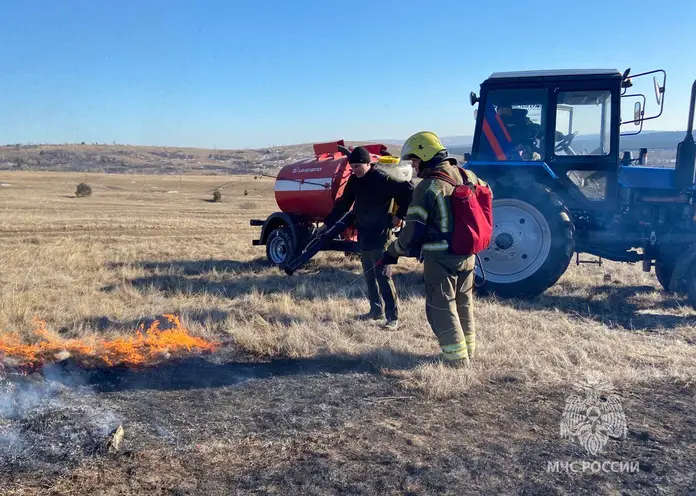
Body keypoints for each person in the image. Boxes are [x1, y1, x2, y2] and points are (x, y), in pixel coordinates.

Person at [380, 131, 490, 368]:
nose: (415, 166)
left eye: (416, 160)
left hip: (441, 258)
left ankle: (455, 359)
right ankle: (468, 351)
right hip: (468, 254)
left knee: (442, 306)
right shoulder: (468, 175)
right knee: (464, 303)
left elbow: (411, 231)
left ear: (426, 155)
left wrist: (393, 251)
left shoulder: (428, 187)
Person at [323, 146, 414, 330]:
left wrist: (398, 216)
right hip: (364, 234)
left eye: (358, 166)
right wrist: (327, 224)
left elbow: (408, 190)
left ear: (367, 164)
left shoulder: (382, 178)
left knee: (383, 276)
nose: (355, 170)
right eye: (353, 166)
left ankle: (392, 318)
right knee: (369, 276)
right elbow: (343, 204)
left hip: (381, 236)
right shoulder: (355, 181)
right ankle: (375, 310)